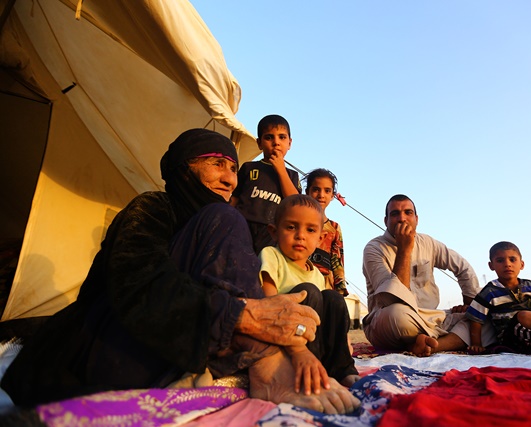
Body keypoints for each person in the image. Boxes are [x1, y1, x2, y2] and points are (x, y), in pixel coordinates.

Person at [1, 129, 359, 414]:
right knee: (224, 217)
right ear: (184, 168)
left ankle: (268, 365)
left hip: (167, 351)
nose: (230, 180)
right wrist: (243, 317)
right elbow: (139, 287)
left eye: (233, 169)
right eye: (217, 164)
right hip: (105, 349)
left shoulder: (221, 234)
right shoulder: (153, 208)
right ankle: (266, 368)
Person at [362, 194, 496, 357]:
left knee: (485, 319)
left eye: (408, 213)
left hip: (431, 317)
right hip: (392, 320)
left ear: (416, 219)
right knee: (396, 314)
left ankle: (430, 346)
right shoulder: (374, 249)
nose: (402, 218)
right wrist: (405, 249)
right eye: (395, 214)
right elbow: (393, 300)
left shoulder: (427, 243)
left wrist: (471, 304)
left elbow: (462, 267)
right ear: (386, 221)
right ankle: (436, 338)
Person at [259, 194, 360, 395]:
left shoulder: (317, 274)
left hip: (314, 342)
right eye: (291, 227)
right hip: (285, 344)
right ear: (274, 232)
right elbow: (268, 304)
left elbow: (326, 321)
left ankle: (341, 369)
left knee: (333, 298)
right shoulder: (272, 255)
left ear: (320, 238)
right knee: (309, 292)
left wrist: (343, 340)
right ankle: (308, 371)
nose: (300, 235)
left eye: (310, 230)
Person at [231, 114, 301, 254]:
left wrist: (281, 170)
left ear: (289, 143)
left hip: (271, 232)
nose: (276, 142)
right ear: (259, 143)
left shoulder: (292, 176)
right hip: (242, 224)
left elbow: (294, 203)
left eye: (282, 137)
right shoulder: (249, 168)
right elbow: (234, 198)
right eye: (269, 137)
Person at [304, 168, 348, 296]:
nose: (321, 195)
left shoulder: (334, 228)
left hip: (325, 287)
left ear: (332, 195)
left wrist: (339, 292)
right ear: (307, 192)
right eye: (316, 189)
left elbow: (338, 263)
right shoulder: (298, 221)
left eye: (327, 191)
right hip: (299, 278)